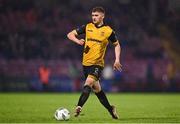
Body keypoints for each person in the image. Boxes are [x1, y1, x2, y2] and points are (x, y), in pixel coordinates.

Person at [67, 6, 122, 119]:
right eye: (92, 15)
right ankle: (111, 109)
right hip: (85, 65)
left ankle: (79, 106)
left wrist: (117, 59)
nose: (94, 17)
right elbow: (70, 34)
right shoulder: (87, 27)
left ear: (102, 16)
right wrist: (78, 41)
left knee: (87, 84)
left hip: (97, 65)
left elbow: (117, 45)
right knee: (97, 90)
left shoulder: (108, 31)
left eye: (96, 15)